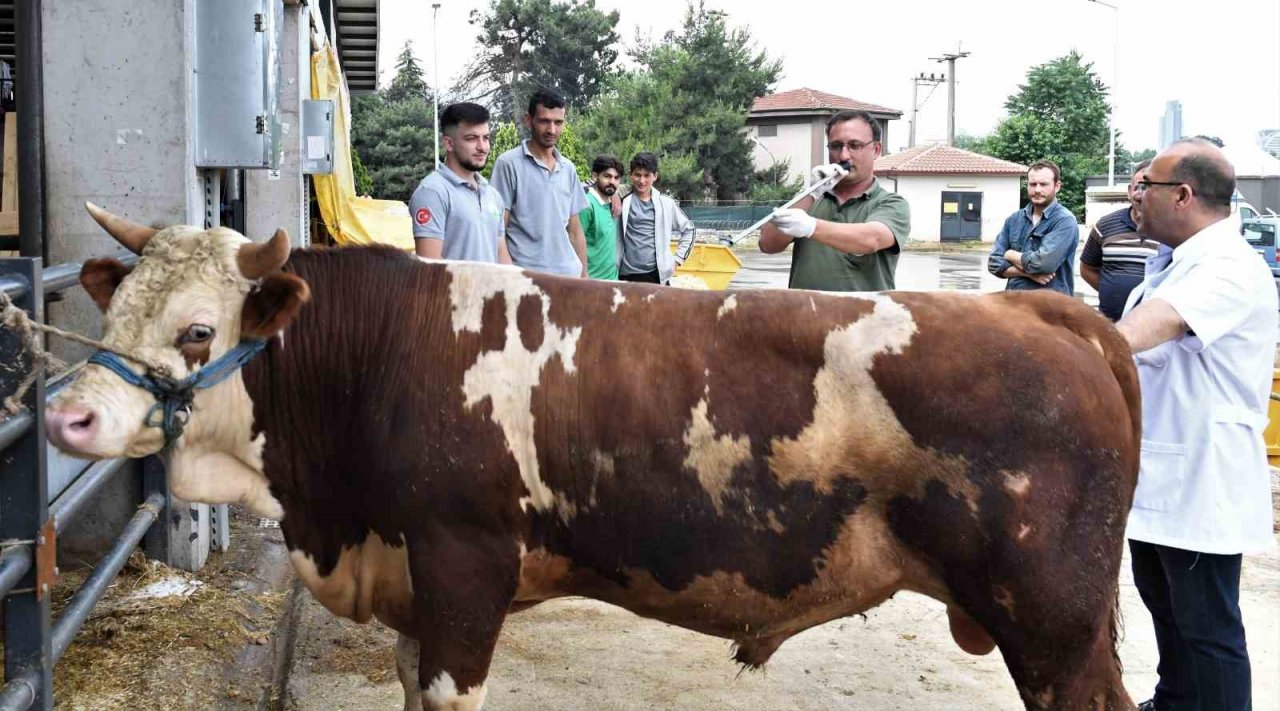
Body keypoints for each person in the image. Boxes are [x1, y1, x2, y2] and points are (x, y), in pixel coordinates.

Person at [1115, 138, 1277, 711]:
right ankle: (1174, 701)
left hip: (1201, 482)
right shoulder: (1179, 263)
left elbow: (1133, 336)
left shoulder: (1227, 268)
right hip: (1163, 474)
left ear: (1182, 195)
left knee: (1209, 632)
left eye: (1145, 187)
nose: (1137, 197)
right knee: (1168, 615)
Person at [759, 110, 909, 291]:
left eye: (855, 145)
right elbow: (767, 244)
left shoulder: (891, 203)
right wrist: (811, 193)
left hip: (863, 318)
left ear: (876, 150)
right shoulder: (811, 201)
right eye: (836, 146)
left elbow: (872, 239)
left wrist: (811, 227)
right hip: (806, 317)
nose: (844, 156)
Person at [490, 89, 588, 277]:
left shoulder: (568, 168)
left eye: (558, 122)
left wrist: (584, 278)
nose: (552, 130)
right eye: (544, 121)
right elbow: (497, 229)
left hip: (568, 278)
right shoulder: (508, 164)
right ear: (529, 120)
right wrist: (509, 276)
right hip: (527, 281)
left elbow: (575, 231)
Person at [408, 102, 510, 264]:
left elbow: (501, 253)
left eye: (486, 138)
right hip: (451, 290)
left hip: (492, 290)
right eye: (472, 138)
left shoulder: (492, 195)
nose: (482, 147)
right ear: (449, 143)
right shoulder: (432, 192)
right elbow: (430, 264)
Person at [1080, 160, 1161, 320]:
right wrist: (1110, 292)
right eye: (1138, 187)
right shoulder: (1105, 225)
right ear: (1129, 191)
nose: (1141, 194)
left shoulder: (1173, 230)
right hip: (1110, 324)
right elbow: (1087, 269)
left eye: (1149, 188)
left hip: (1154, 328)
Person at [986, 161, 1078, 295]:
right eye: (1033, 184)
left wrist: (1010, 254)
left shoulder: (1064, 221)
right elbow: (994, 263)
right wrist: (1029, 274)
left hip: (1050, 308)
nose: (1037, 190)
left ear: (1057, 186)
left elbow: (1043, 264)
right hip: (1014, 304)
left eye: (1044, 184)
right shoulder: (1014, 220)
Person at [617, 152, 695, 285]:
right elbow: (594, 186)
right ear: (631, 175)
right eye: (637, 175)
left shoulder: (666, 203)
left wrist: (677, 260)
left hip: (657, 275)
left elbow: (689, 230)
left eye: (647, 175)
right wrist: (614, 195)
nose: (642, 181)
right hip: (625, 273)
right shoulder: (622, 198)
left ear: (655, 176)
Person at [579, 154, 623, 280]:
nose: (612, 182)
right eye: (607, 176)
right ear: (595, 176)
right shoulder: (587, 205)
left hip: (612, 280)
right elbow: (573, 242)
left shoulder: (612, 205)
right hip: (590, 282)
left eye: (616, 178)